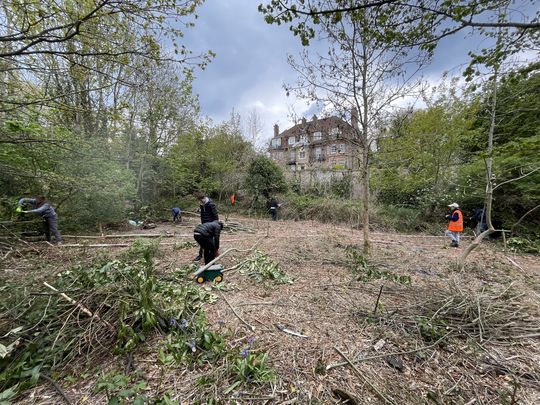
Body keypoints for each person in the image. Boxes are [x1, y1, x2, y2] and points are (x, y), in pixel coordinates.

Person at [193, 192, 219, 261]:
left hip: (211, 225)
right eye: (199, 201)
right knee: (202, 241)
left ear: (204, 198)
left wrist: (215, 225)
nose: (200, 202)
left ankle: (213, 254)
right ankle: (200, 255)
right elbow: (202, 214)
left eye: (201, 200)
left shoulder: (211, 204)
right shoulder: (201, 204)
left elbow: (215, 215)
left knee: (211, 241)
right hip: (204, 224)